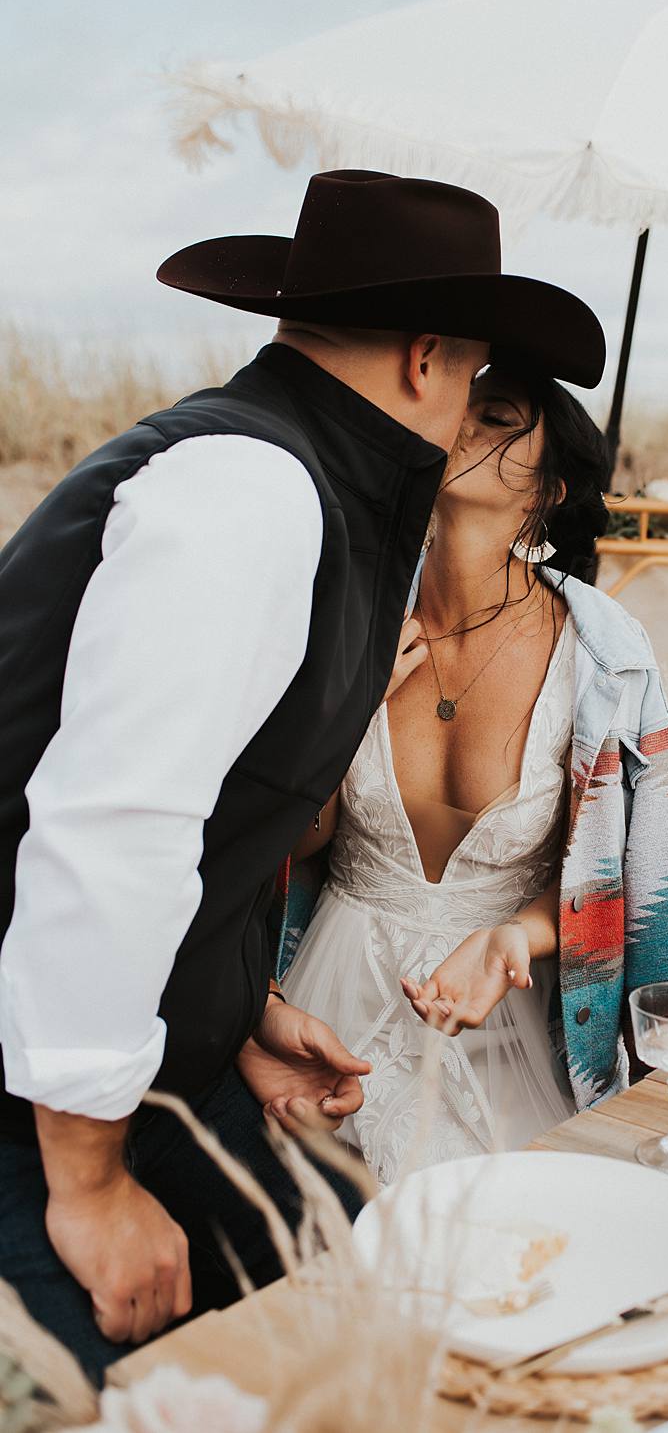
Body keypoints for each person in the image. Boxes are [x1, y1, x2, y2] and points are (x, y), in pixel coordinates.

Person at [0, 169, 605, 1380]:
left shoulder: (302, 485)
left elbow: (212, 825)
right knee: (128, 1397)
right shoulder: (251, 491)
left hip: (162, 1054)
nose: (469, 415)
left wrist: (233, 1013)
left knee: (336, 1326)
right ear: (426, 358)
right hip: (36, 1086)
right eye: (474, 378)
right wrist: (90, 1184)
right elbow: (109, 834)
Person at [282, 363, 668, 1184]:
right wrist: (343, 711)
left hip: (503, 1017)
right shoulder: (348, 615)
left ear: (547, 488)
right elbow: (295, 841)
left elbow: (634, 883)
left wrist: (519, 933)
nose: (459, 421)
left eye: (495, 415)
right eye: (459, 404)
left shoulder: (607, 664)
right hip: (325, 991)